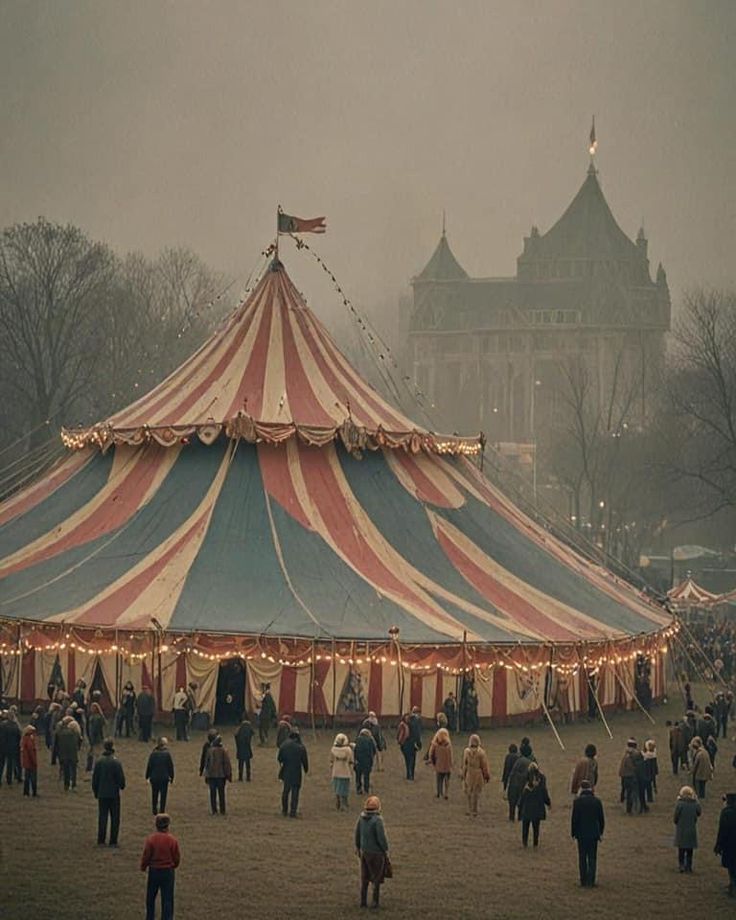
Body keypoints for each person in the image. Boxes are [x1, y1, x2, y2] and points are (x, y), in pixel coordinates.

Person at [140, 813, 180, 920]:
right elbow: (176, 856)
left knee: (151, 897)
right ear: (167, 825)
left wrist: (143, 866)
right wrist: (174, 865)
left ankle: (150, 917)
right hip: (168, 871)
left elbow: (146, 855)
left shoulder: (151, 839)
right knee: (167, 898)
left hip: (154, 870)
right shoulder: (172, 840)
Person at [354, 795, 390, 909]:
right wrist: (385, 849)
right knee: (376, 878)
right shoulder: (377, 820)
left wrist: (358, 847)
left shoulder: (361, 818)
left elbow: (357, 833)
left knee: (364, 877)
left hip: (365, 852)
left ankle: (363, 901)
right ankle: (375, 901)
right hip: (376, 853)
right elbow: (381, 838)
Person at [92, 738, 126, 846]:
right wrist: (121, 786)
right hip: (114, 794)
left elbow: (95, 779)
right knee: (115, 818)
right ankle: (113, 840)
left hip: (102, 793)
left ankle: (101, 840)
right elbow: (121, 779)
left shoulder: (99, 762)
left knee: (102, 817)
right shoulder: (116, 762)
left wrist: (96, 791)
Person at [571, 779, 605, 887]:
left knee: (582, 857)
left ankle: (583, 880)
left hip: (581, 834)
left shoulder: (577, 802)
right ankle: (591, 880)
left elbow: (574, 819)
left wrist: (573, 832)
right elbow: (601, 819)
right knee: (592, 858)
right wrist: (600, 832)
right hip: (594, 834)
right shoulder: (597, 801)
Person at [278, 729, 309, 818]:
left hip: (286, 771)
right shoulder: (301, 747)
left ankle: (284, 810)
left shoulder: (284, 745)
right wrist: (306, 769)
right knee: (295, 793)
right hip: (296, 772)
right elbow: (305, 761)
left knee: (285, 791)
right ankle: (293, 812)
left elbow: (279, 758)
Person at [519, 763, 551, 848]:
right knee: (536, 827)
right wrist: (548, 803)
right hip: (538, 808)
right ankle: (535, 843)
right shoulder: (541, 784)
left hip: (527, 809)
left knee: (525, 827)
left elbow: (522, 798)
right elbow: (545, 795)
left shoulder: (526, 786)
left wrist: (519, 806)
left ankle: (524, 842)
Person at [673, 785, 701, 873]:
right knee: (690, 850)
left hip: (681, 829)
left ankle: (681, 865)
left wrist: (677, 822)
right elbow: (699, 812)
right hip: (691, 829)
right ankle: (688, 866)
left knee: (681, 850)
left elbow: (675, 817)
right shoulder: (695, 804)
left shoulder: (680, 804)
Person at [461, 733, 490, 817]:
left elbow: (465, 764)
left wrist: (463, 773)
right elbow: (484, 765)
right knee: (476, 793)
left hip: (469, 772)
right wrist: (486, 775)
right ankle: (474, 810)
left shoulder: (466, 751)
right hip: (478, 773)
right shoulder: (481, 752)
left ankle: (469, 809)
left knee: (469, 792)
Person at [204, 734, 232, 816]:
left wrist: (206, 775)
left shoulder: (209, 751)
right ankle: (222, 810)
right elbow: (227, 764)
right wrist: (228, 774)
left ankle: (214, 810)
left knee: (213, 794)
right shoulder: (223, 751)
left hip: (212, 776)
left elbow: (207, 764)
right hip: (221, 776)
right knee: (221, 793)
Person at [145, 737, 175, 815]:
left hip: (154, 777)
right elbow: (170, 767)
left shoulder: (153, 754)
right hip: (164, 778)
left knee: (154, 794)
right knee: (163, 795)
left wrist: (147, 776)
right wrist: (172, 777)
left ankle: (154, 809)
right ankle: (162, 809)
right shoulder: (167, 754)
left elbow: (149, 766)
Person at [715, 792, 736, 898]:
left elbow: (722, 830)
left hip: (729, 844)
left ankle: (733, 885)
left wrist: (718, 845)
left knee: (731, 866)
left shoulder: (726, 812)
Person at [619, 738, 647, 815]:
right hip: (632, 776)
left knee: (627, 792)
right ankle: (635, 809)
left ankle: (628, 808)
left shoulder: (626, 754)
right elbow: (639, 766)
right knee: (634, 793)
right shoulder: (636, 754)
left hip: (624, 775)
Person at [330, 733, 354, 810]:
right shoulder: (348, 750)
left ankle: (338, 802)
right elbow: (351, 760)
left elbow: (331, 761)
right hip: (345, 772)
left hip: (336, 772)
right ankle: (345, 804)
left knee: (337, 788)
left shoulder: (333, 750)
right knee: (345, 789)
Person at [56, 715, 81, 791]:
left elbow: (57, 740)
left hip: (64, 755)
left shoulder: (61, 733)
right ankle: (73, 784)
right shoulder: (75, 734)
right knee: (73, 771)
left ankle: (66, 785)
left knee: (66, 770)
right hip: (73, 755)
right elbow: (79, 744)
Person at [428, 726, 453, 800]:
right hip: (447, 766)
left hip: (439, 765)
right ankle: (446, 793)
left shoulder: (436, 745)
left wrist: (433, 762)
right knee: (447, 780)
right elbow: (451, 756)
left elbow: (431, 754)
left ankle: (439, 792)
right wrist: (451, 763)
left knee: (439, 780)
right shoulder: (448, 745)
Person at [507, 750, 532, 822]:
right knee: (521, 801)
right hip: (523, 783)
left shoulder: (518, 761)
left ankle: (511, 817)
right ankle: (520, 817)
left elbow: (513, 772)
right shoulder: (529, 762)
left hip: (514, 783)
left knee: (512, 802)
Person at [354, 727, 377, 794]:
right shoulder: (370, 740)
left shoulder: (357, 740)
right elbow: (374, 750)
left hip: (358, 760)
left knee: (358, 776)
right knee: (366, 776)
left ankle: (358, 789)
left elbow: (355, 750)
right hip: (367, 761)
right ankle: (366, 789)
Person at [0, 711, 20, 786]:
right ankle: (9, 779)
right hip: (12, 747)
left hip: (2, 747)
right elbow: (18, 737)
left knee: (1, 764)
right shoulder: (15, 726)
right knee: (10, 765)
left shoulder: (2, 725)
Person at [396, 714, 418, 781]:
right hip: (407, 744)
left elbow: (398, 734)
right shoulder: (405, 725)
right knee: (410, 760)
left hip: (407, 744)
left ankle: (410, 774)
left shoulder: (404, 725)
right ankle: (410, 774)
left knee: (409, 760)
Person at [87, 702, 106, 772]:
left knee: (96, 754)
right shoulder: (97, 717)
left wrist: (92, 739)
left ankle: (95, 768)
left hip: (96, 738)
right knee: (96, 754)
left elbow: (94, 730)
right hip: (98, 738)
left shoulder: (96, 718)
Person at [234, 715, 254, 782]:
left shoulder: (239, 728)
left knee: (240, 763)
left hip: (240, 748)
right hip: (247, 747)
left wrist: (238, 745)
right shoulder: (249, 727)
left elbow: (235, 735)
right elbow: (252, 733)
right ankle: (248, 777)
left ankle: (240, 777)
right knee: (247, 764)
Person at [20, 724, 38, 797]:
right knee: (33, 778)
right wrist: (35, 762)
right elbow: (31, 752)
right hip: (30, 762)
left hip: (26, 762)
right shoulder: (30, 740)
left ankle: (26, 792)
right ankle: (34, 792)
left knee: (27, 778)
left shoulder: (24, 739)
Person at [643, 739, 658, 803]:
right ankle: (651, 796)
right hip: (652, 771)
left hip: (647, 771)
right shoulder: (654, 755)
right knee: (652, 783)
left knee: (648, 784)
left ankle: (649, 797)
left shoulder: (645, 756)